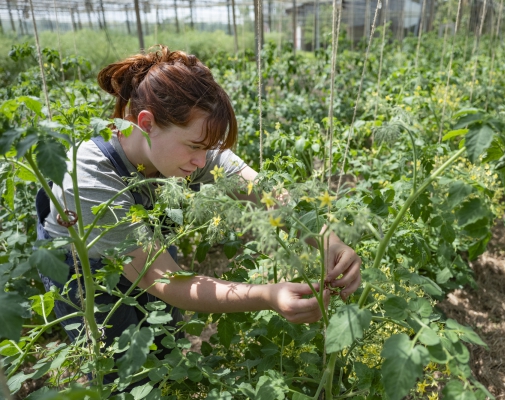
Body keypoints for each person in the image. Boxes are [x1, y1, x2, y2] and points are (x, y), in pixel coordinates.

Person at [36, 46, 361, 383]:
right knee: (120, 373)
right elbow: (160, 279)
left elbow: (268, 193)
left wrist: (328, 241)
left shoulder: (182, 151)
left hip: (148, 251)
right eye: (195, 147)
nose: (203, 163)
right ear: (146, 124)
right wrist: (268, 295)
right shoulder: (87, 177)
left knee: (167, 345)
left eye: (209, 149)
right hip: (86, 273)